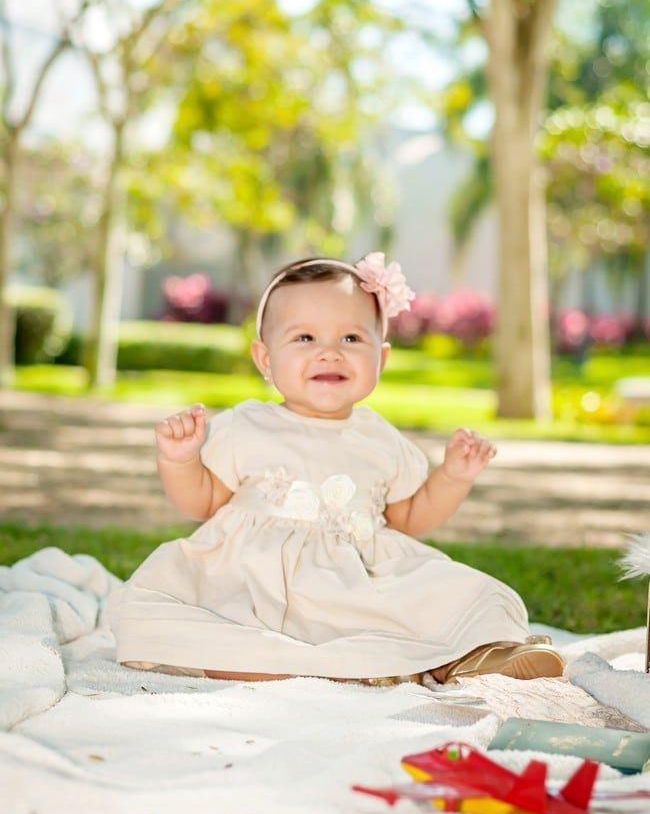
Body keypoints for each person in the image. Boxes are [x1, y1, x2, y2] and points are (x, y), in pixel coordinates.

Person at [108, 253, 564, 685]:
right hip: (255, 582)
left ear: (380, 359)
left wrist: (452, 477)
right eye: (305, 338)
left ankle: (475, 654)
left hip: (357, 584)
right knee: (156, 610)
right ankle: (334, 663)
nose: (329, 353)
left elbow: (409, 518)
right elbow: (201, 502)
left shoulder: (381, 438)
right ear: (265, 359)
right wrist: (181, 458)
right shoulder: (247, 425)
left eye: (351, 338)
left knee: (470, 593)